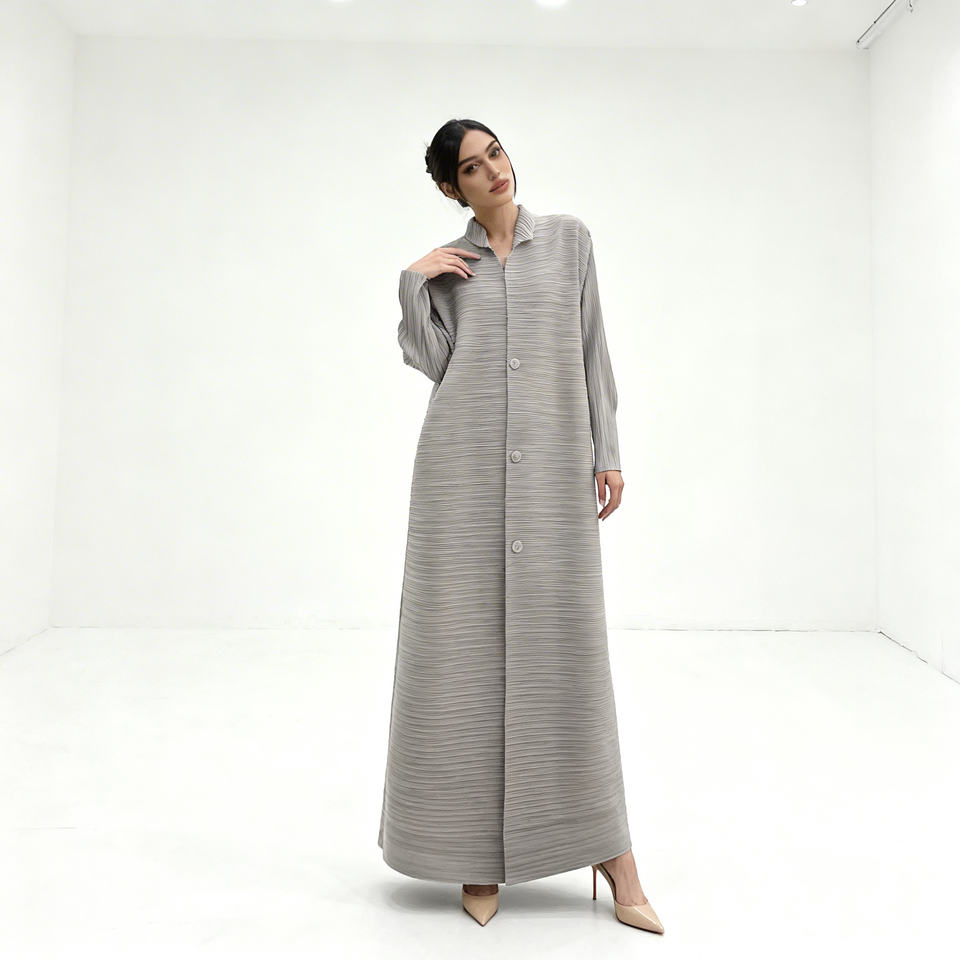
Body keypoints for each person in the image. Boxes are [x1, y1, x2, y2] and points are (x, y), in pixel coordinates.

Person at [378, 119, 663, 934]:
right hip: (460, 485)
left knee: (568, 654)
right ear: (452, 187)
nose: (494, 172)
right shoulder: (450, 267)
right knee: (458, 661)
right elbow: (433, 363)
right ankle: (475, 850)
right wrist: (413, 283)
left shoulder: (569, 242)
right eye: (473, 168)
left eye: (496, 153)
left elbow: (592, 347)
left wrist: (607, 451)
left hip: (551, 479)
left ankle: (612, 853)